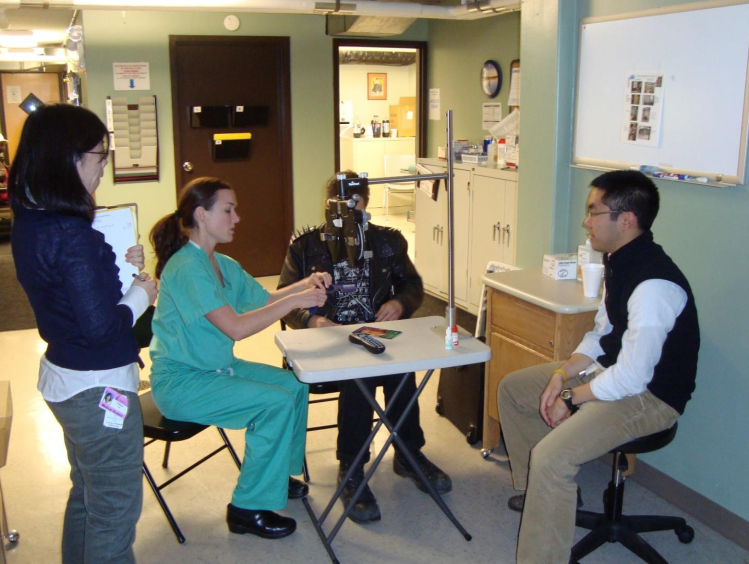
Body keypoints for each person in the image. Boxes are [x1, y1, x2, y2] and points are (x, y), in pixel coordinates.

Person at [497, 170, 700, 564]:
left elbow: (632, 378)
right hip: (617, 373)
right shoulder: (618, 261)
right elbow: (602, 333)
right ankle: (547, 496)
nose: (587, 222)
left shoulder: (655, 285)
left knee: (552, 459)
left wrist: (571, 398)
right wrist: (561, 374)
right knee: (514, 388)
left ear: (625, 220)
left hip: (652, 397)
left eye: (594, 212)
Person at [9, 104, 158, 564]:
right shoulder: (71, 231)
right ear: (71, 157)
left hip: (65, 379)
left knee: (88, 494)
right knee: (114, 513)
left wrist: (112, 261)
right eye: (100, 155)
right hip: (99, 391)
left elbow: (69, 291)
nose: (102, 167)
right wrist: (141, 294)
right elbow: (99, 327)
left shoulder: (33, 219)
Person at [148, 177, 329, 540]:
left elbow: (261, 299)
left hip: (214, 370)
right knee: (273, 403)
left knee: (293, 385)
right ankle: (247, 508)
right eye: (228, 210)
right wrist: (295, 302)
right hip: (181, 381)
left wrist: (304, 284)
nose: (237, 218)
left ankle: (275, 474)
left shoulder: (220, 263)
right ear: (202, 214)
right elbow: (236, 328)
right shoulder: (186, 267)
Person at [277, 171, 452, 525]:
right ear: (329, 206)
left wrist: (401, 304)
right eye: (344, 206)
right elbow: (285, 298)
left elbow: (412, 284)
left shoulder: (388, 242)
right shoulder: (306, 245)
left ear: (367, 205)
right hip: (326, 339)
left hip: (375, 330)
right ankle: (352, 465)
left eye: (358, 205)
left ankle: (407, 452)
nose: (351, 214)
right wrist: (314, 321)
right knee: (361, 375)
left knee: (402, 366)